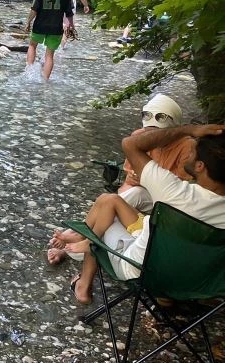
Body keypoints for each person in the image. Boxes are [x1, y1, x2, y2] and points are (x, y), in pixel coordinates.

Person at [60, 124, 225, 305]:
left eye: (192, 153)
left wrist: (188, 130)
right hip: (200, 285)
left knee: (104, 209)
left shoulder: (175, 192)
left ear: (200, 166)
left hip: (144, 272)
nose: (189, 154)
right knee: (113, 202)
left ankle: (84, 279)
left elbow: (130, 144)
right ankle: (83, 243)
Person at [47, 93, 195, 265]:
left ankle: (73, 244)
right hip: (144, 193)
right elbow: (128, 183)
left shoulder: (187, 147)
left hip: (166, 202)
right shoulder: (139, 138)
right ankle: (79, 236)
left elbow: (182, 190)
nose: (152, 139)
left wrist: (148, 181)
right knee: (123, 199)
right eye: (149, 133)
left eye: (158, 134)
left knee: (117, 205)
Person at [25, 0, 73, 81]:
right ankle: (45, 80)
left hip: (40, 25)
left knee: (32, 45)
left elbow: (34, 9)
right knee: (49, 54)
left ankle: (29, 71)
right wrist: (71, 26)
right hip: (56, 27)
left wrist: (28, 22)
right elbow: (69, 12)